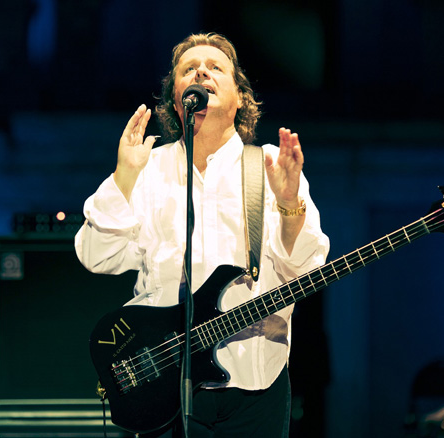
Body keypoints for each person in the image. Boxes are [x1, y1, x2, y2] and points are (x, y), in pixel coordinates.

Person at [75, 32, 329, 438]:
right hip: (163, 382)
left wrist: (288, 204)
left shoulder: (268, 165)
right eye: (189, 69)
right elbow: (95, 255)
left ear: (240, 97)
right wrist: (124, 174)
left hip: (256, 381)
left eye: (215, 68)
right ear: (176, 100)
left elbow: (304, 269)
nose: (201, 73)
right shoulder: (146, 169)